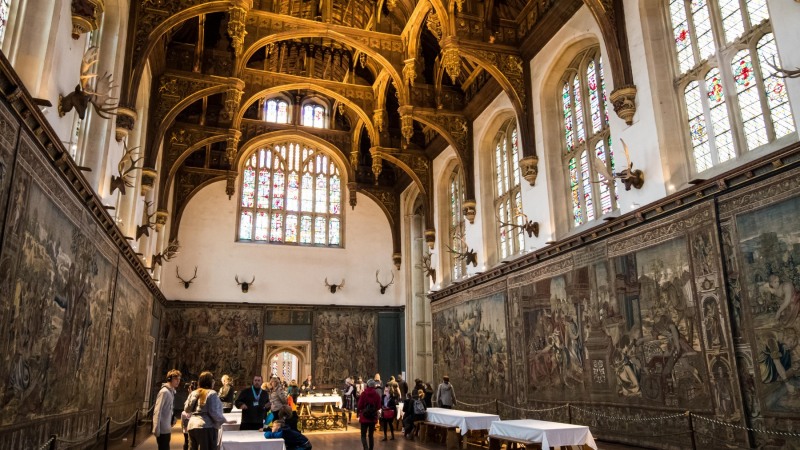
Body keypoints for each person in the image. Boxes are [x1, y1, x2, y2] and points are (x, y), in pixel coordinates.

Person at [184, 371, 234, 450]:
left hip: (192, 425)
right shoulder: (212, 393)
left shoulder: (194, 392)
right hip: (206, 427)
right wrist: (225, 420)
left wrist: (190, 394)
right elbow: (214, 412)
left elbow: (186, 409)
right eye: (213, 380)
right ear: (210, 381)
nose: (214, 382)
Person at [153, 369, 181, 450]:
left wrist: (172, 418)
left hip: (167, 427)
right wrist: (156, 428)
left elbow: (169, 408)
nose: (178, 381)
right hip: (162, 429)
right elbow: (157, 411)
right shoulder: (164, 392)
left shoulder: (171, 392)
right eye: (176, 379)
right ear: (169, 379)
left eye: (179, 379)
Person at [357, 379, 381, 450]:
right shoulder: (376, 394)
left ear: (367, 385)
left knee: (363, 436)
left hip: (364, 417)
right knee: (371, 436)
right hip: (372, 418)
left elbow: (359, 405)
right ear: (374, 386)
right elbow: (379, 406)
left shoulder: (364, 394)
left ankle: (366, 448)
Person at [181, 381, 197, 450]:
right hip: (190, 418)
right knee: (190, 441)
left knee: (187, 440)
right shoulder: (196, 395)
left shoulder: (192, 395)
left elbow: (186, 408)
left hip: (190, 418)